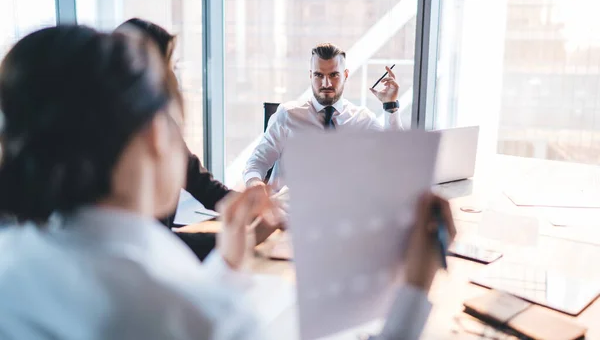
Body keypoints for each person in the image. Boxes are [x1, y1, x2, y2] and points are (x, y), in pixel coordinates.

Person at [0, 25, 456, 339]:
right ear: (154, 136)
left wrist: (228, 266)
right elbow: (189, 316)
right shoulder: (178, 308)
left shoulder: (14, 256)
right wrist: (415, 288)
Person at [115, 18, 277, 260]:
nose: (174, 77)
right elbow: (148, 246)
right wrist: (238, 239)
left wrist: (252, 207)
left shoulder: (160, 128)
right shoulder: (121, 144)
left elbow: (203, 185)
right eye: (171, 66)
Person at [244, 43, 403, 190]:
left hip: (342, 213)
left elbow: (395, 157)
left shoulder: (362, 119)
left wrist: (390, 106)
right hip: (289, 214)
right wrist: (256, 187)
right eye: (319, 75)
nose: (326, 83)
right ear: (311, 76)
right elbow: (255, 164)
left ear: (346, 75)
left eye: (334, 75)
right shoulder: (287, 115)